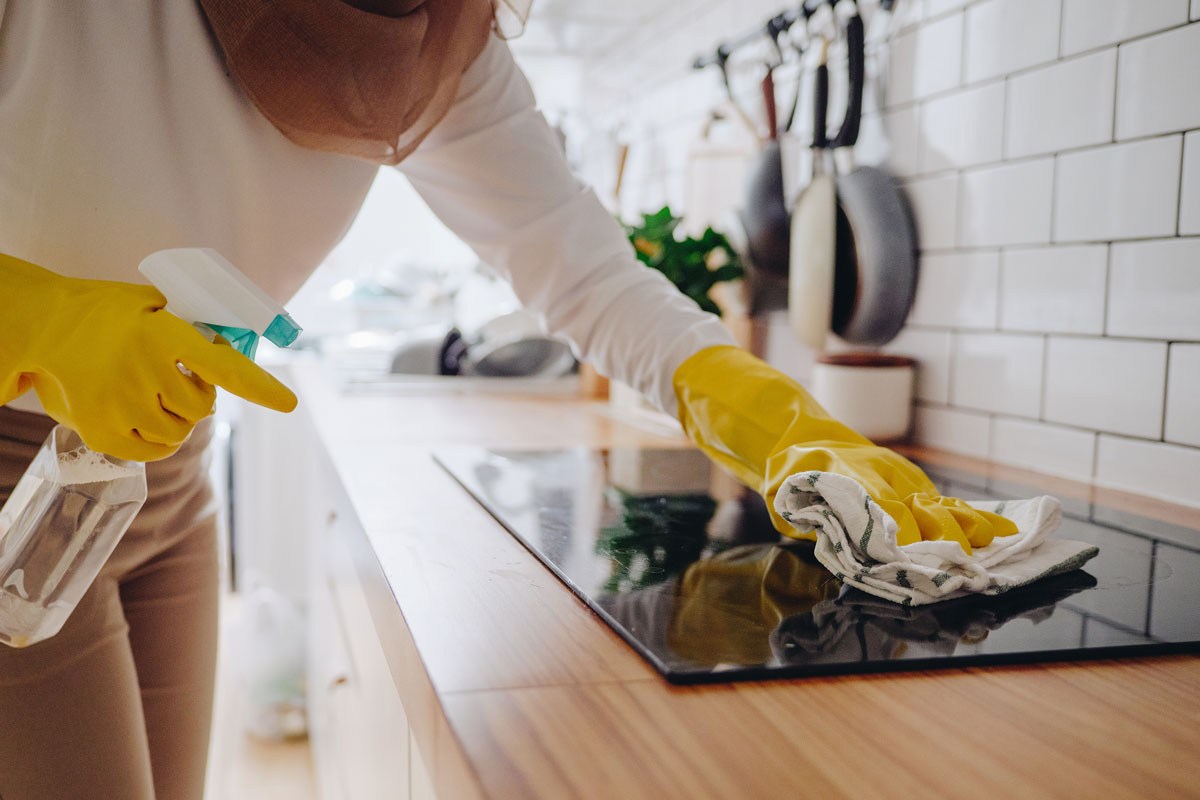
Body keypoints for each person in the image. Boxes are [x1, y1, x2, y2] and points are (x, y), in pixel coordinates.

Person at [0, 2, 1014, 798]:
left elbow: (590, 277)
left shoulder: (442, 46)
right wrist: (42, 320)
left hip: (166, 475)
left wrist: (784, 420)